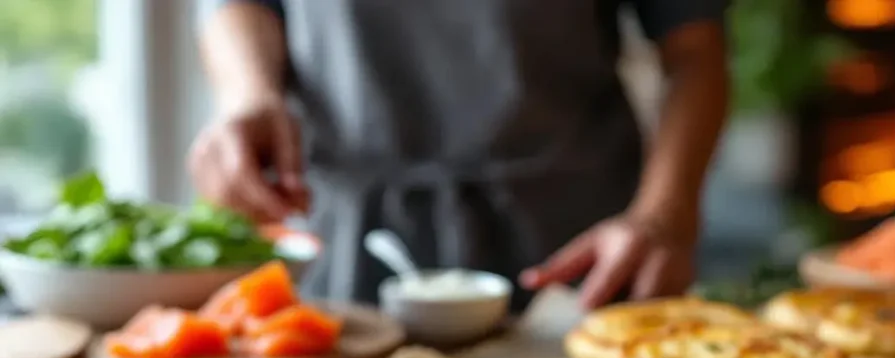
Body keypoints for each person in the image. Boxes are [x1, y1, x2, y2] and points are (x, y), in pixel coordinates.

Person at [190, 0, 729, 312]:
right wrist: (248, 93)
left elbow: (695, 52)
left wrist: (662, 216)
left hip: (576, 247)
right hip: (348, 232)